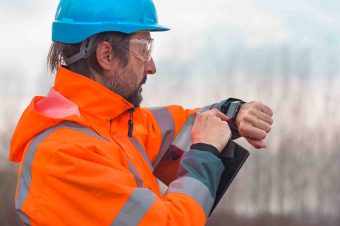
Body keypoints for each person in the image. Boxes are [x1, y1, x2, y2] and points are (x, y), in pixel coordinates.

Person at [9, 0, 273, 225]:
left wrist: (234, 114)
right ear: (106, 56)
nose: (152, 66)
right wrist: (205, 152)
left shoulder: (113, 126)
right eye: (144, 48)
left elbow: (185, 125)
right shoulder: (65, 155)